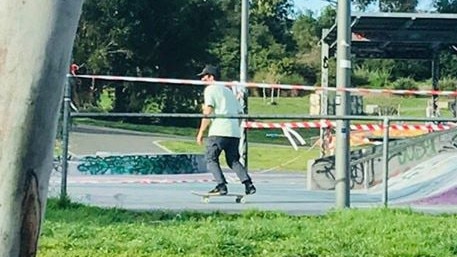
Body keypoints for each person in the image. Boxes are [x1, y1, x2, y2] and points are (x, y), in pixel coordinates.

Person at [196, 65, 256, 195]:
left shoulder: (211, 90)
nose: (202, 80)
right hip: (234, 132)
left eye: (204, 77)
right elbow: (240, 114)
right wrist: (236, 128)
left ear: (211, 77)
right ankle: (248, 184)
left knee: (210, 158)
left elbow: (208, 112)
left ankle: (221, 185)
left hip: (218, 131)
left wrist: (201, 132)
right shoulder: (228, 91)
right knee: (233, 160)